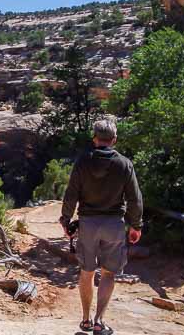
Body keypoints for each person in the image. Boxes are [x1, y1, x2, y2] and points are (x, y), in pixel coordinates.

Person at [60, 119, 143, 335]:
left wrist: (65, 220)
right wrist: (136, 225)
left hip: (87, 223)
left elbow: (71, 193)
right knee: (108, 274)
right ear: (114, 139)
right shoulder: (125, 164)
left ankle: (85, 320)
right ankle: (99, 321)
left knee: (86, 272)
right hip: (114, 224)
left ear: (95, 139)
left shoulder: (82, 162)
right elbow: (135, 199)